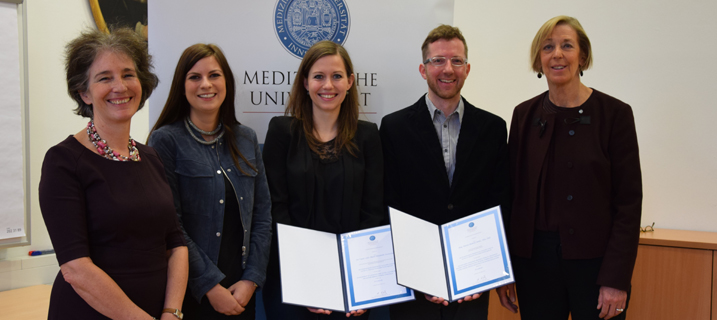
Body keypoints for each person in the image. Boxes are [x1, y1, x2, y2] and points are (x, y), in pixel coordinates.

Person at [39, 28, 188, 320]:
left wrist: (172, 312)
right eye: (105, 77)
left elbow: (176, 242)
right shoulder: (63, 162)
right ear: (84, 92)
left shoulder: (150, 156)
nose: (120, 86)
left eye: (128, 74)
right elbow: (75, 267)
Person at [504, 15, 643, 320]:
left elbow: (629, 204)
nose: (557, 54)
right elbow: (513, 196)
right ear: (538, 60)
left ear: (582, 56)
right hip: (535, 268)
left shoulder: (615, 115)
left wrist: (616, 279)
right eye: (548, 47)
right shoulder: (524, 115)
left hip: (596, 268)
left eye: (567, 46)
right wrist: (507, 271)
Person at [379, 24, 509, 320]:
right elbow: (390, 203)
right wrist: (418, 274)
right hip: (414, 285)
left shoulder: (493, 128)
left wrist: (486, 270)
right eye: (438, 60)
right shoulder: (394, 128)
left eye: (456, 61)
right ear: (423, 70)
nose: (448, 68)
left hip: (473, 282)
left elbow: (499, 201)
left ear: (468, 68)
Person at [148, 43, 272, 319]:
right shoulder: (166, 140)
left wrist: (251, 279)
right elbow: (171, 225)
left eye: (214, 75)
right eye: (195, 77)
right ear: (182, 86)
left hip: (243, 292)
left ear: (226, 81)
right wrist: (209, 286)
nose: (206, 84)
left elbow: (262, 215)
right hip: (192, 293)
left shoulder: (246, 138)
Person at [262, 40, 383, 319]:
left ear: (350, 82)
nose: (328, 85)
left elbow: (373, 212)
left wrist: (359, 282)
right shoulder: (282, 132)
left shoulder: (368, 136)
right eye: (319, 76)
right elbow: (275, 209)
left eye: (337, 76)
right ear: (305, 82)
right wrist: (307, 279)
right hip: (292, 277)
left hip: (350, 280)